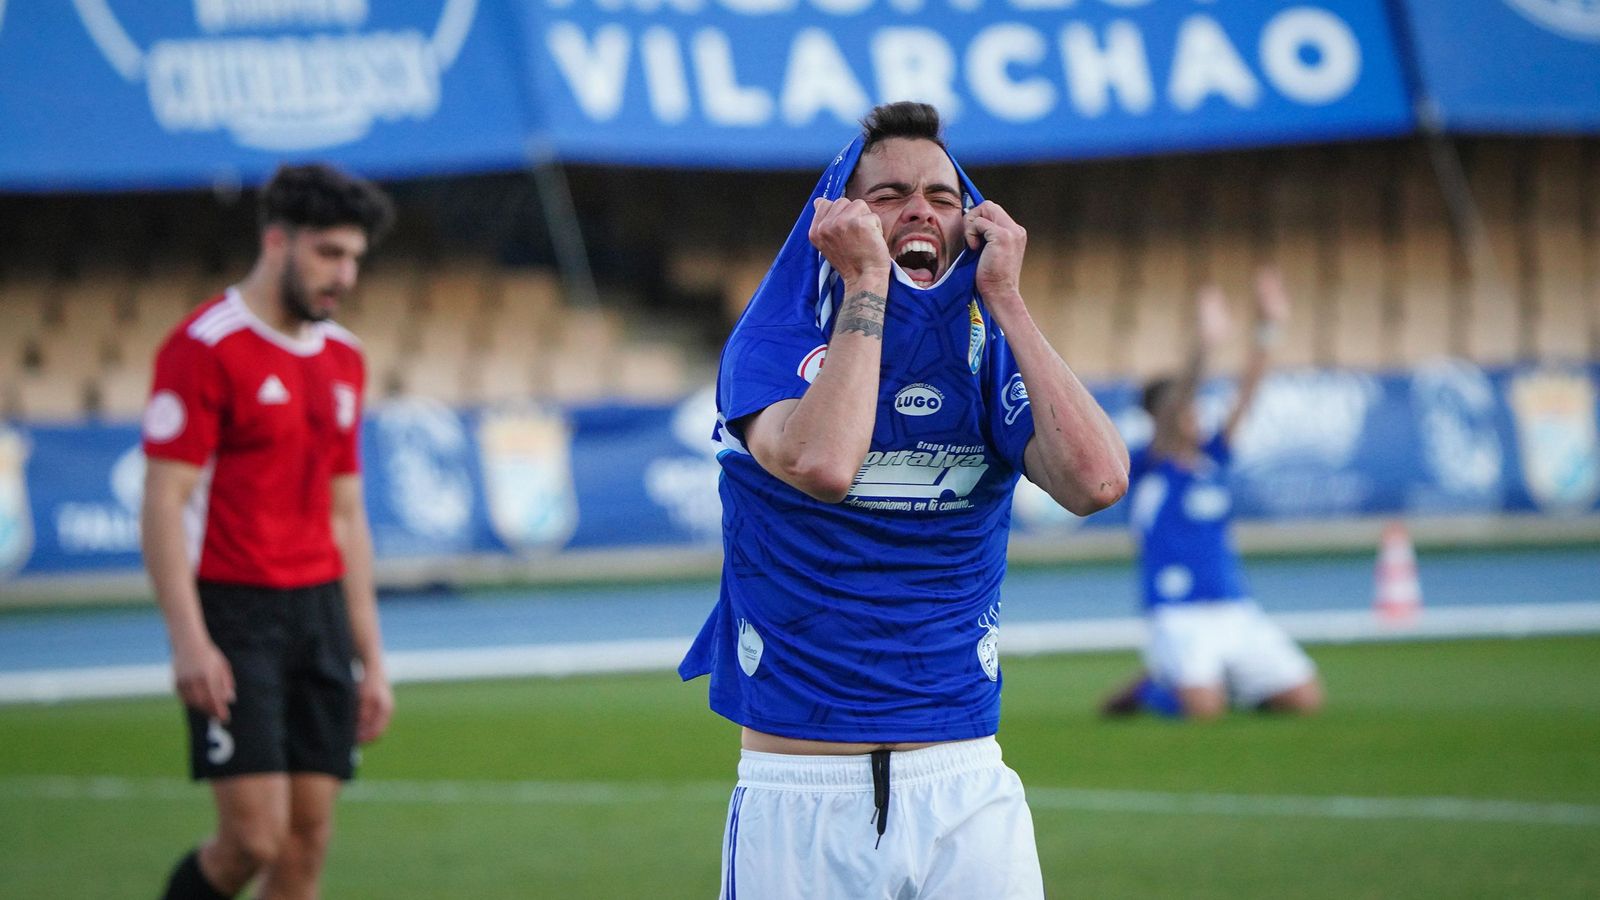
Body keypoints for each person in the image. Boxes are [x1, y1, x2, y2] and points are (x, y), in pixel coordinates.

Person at [679, 102, 1128, 898]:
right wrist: (867, 280)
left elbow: (1096, 482)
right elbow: (823, 460)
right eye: (887, 195)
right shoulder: (773, 340)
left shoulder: (987, 346)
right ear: (839, 215)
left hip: (964, 781)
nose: (920, 208)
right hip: (802, 792)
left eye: (942, 197)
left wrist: (1011, 302)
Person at [142, 163, 396, 899]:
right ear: (277, 240)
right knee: (252, 839)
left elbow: (347, 515)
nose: (344, 274)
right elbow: (163, 504)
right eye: (328, 253)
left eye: (354, 258)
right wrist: (189, 642)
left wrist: (371, 658)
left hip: (317, 611)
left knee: (307, 841)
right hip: (235, 612)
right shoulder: (204, 346)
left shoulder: (344, 358)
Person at [1101, 269, 1324, 720]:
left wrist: (1269, 326)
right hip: (1177, 612)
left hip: (1233, 604)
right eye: (1185, 409)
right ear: (1162, 416)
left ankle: (1195, 679)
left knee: (1303, 699)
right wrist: (1205, 343)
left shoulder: (1213, 458)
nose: (1194, 416)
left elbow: (1248, 391)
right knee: (1203, 711)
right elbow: (1180, 396)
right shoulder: (1149, 464)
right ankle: (1157, 688)